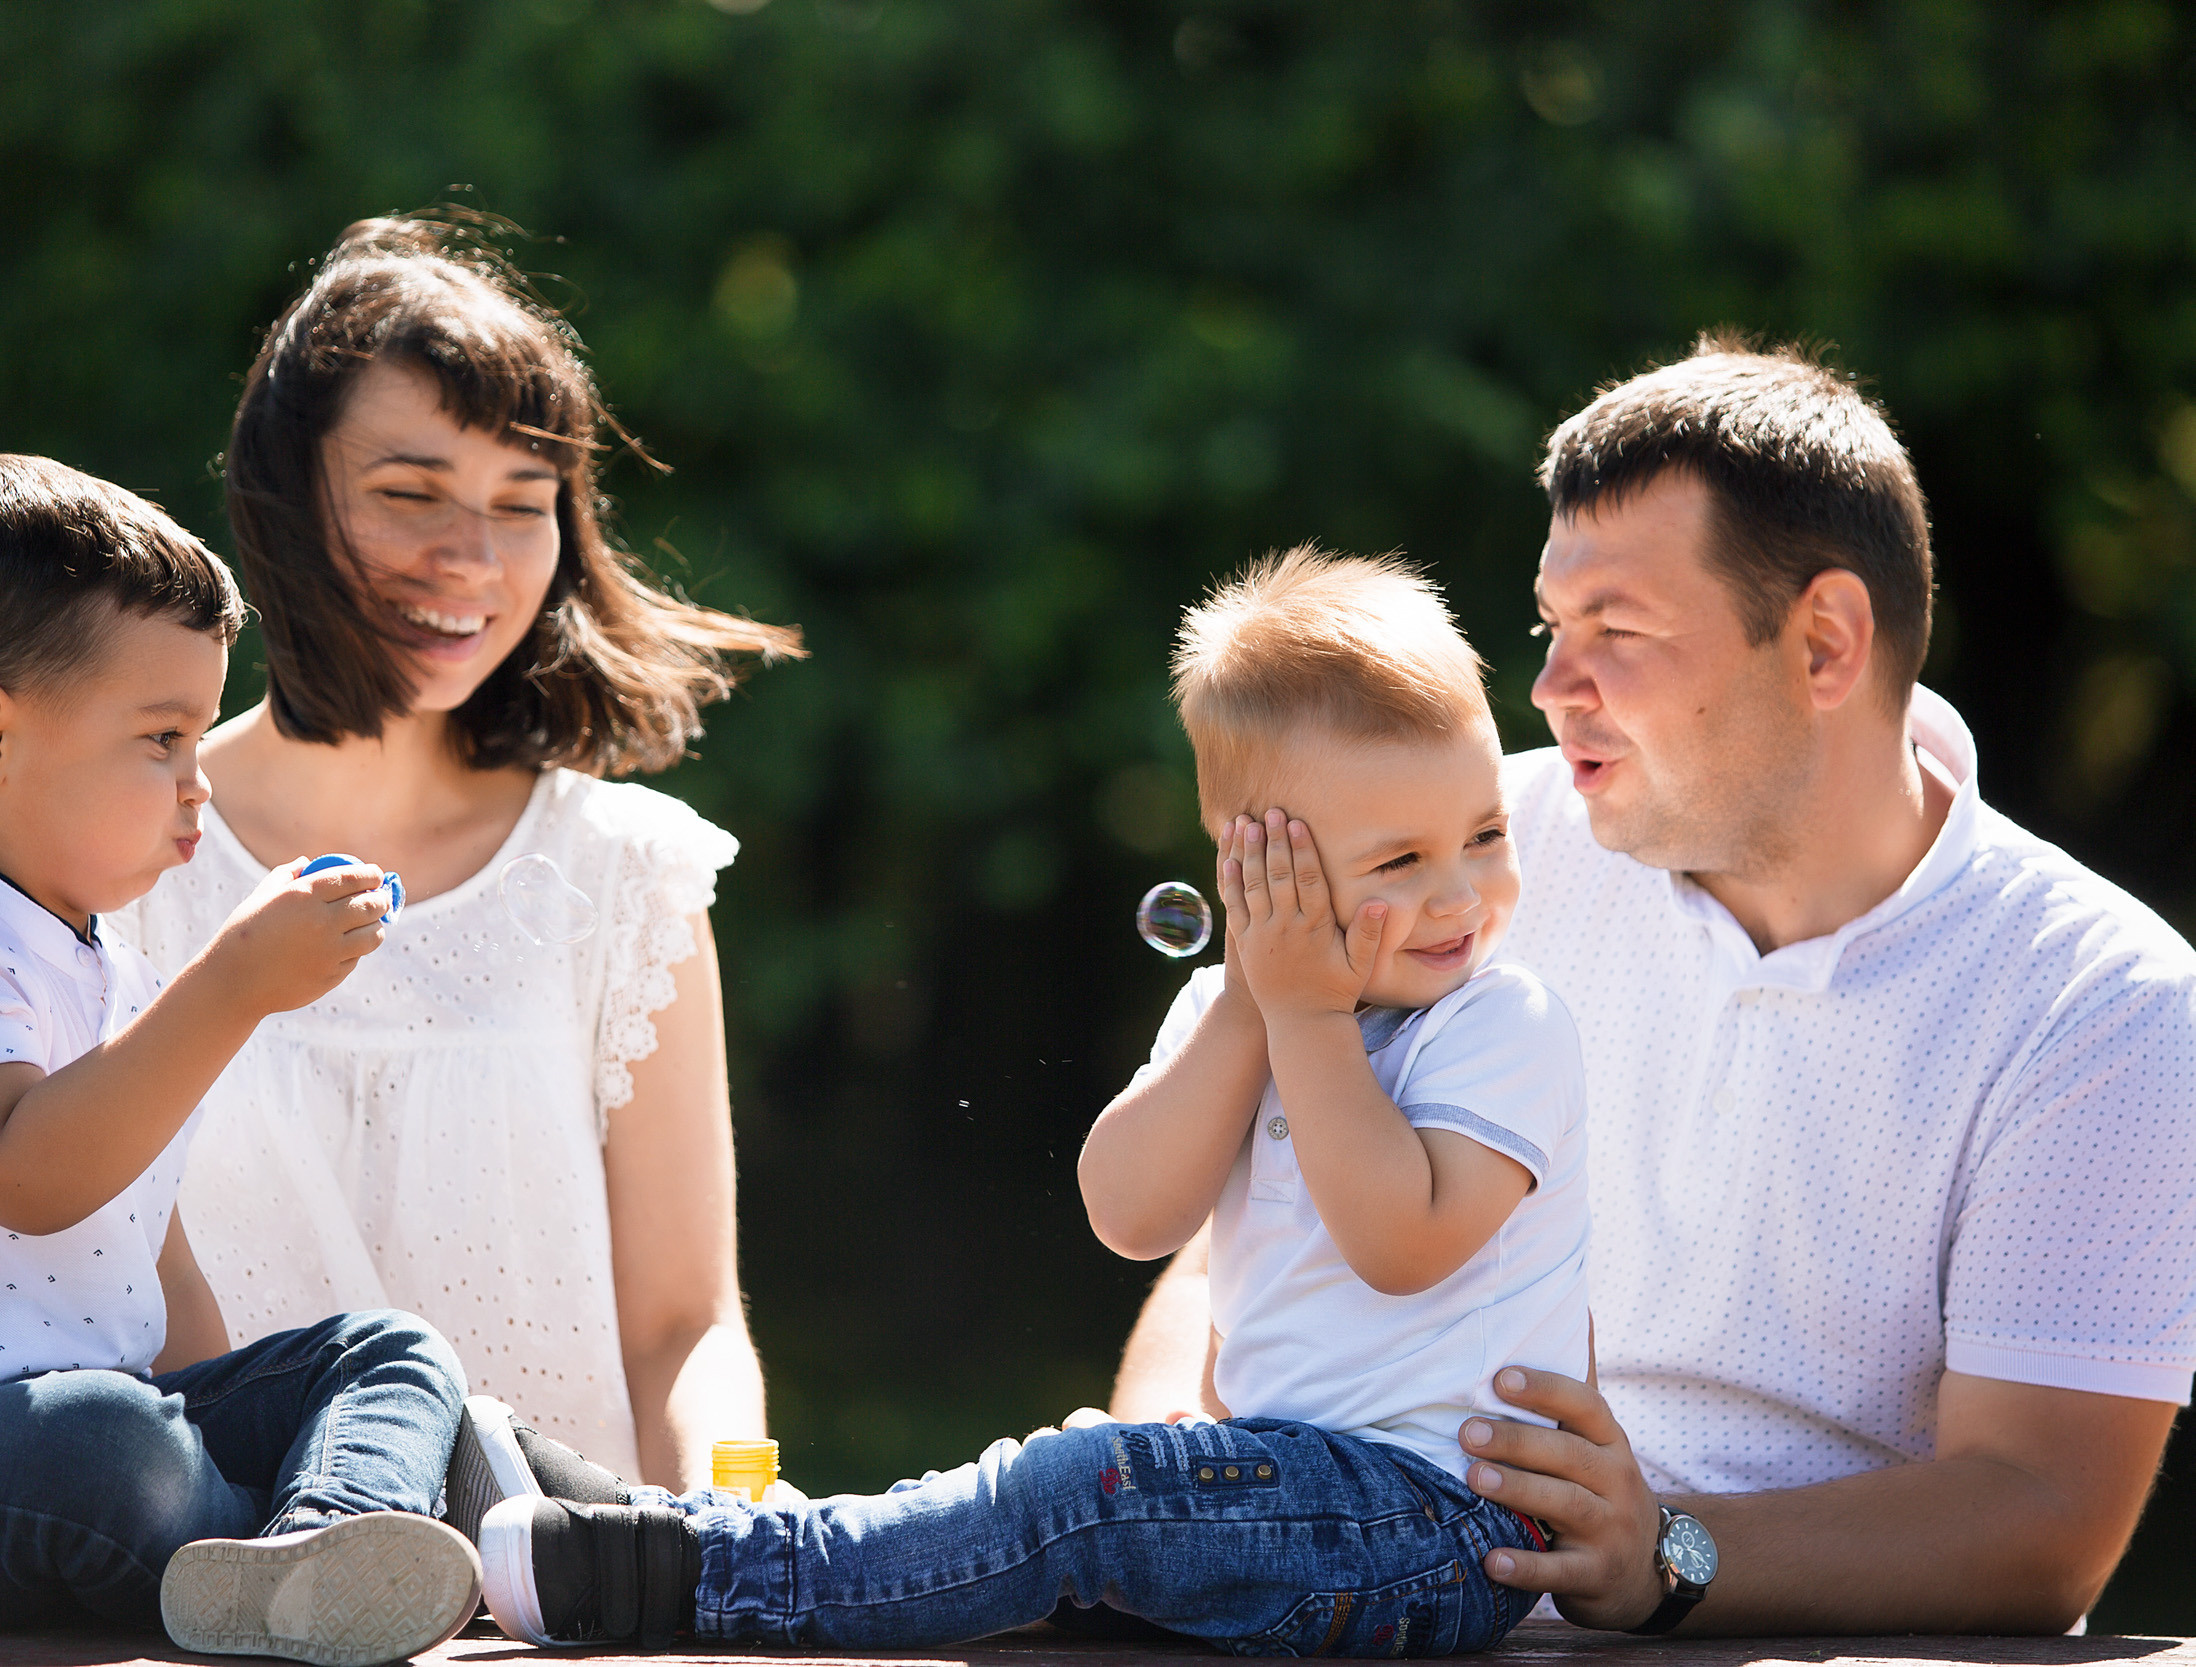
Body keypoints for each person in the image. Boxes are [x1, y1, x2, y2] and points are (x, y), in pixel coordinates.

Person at [0, 211, 800, 1623]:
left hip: (508, 1604)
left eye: (525, 497)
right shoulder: (91, 848)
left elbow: (682, 1319)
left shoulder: (627, 870)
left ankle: (403, 1533)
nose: (470, 553)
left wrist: (734, 1496)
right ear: (287, 499)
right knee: (116, 1449)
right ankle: (302, 1556)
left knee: (461, 1417)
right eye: (412, 490)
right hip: (114, 1515)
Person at [1108, 336, 2196, 1635]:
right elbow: (1237, 1245)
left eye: (1615, 631)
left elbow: (2041, 1514)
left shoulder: (2101, 998)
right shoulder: (1465, 859)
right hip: (1382, 1612)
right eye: (1550, 628)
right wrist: (1166, 1484)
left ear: (1827, 642)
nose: (1552, 688)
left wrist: (1666, 1553)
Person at [435, 548, 1587, 1655]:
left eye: (1484, 833)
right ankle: (664, 1535)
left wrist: (1307, 1021)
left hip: (1441, 1524)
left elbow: (1402, 1240)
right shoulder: (1240, 1018)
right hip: (1292, 1496)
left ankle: (709, 1568)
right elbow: (1130, 1212)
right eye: (1399, 862)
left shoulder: (1500, 1021)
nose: (1460, 894)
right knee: (1083, 1482)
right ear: (1256, 870)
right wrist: (1253, 1005)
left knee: (1073, 1490)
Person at [0, 448, 484, 1665]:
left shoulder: (107, 968)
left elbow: (152, 1266)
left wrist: (238, 1413)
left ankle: (329, 1541)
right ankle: (383, 1524)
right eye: (162, 739)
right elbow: (29, 1175)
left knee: (381, 1347)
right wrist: (233, 984)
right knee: (109, 1436)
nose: (200, 787)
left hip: (87, 1454)